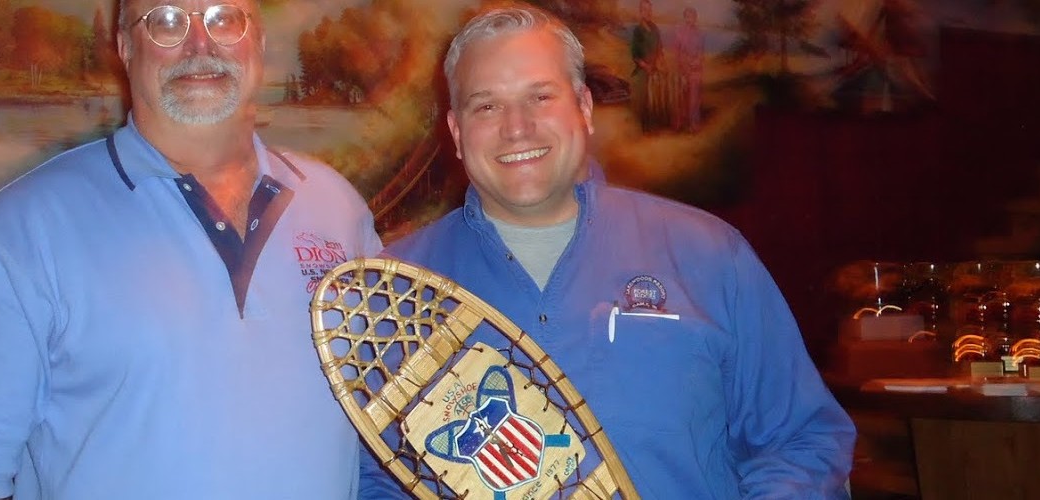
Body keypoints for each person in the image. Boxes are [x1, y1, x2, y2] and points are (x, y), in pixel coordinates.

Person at [0, 0, 382, 498]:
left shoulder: (338, 208)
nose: (199, 44)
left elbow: (387, 426)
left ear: (258, 42)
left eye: (224, 18)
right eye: (166, 21)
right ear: (125, 47)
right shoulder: (20, 230)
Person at [361, 6, 855, 499]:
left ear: (585, 108)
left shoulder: (709, 254)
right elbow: (374, 480)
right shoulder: (394, 295)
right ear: (456, 132)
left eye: (541, 96)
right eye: (486, 105)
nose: (517, 127)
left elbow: (801, 439)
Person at [629, 0, 665, 129]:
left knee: (656, 99)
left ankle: (655, 125)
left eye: (650, 10)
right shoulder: (637, 31)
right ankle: (644, 127)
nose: (648, 13)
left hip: (656, 69)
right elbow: (635, 55)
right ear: (641, 12)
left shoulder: (655, 28)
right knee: (643, 99)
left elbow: (660, 48)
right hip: (642, 70)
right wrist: (646, 66)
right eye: (645, 10)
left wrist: (660, 62)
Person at [671, 6, 704, 133]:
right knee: (681, 98)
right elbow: (676, 52)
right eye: (688, 16)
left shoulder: (700, 34)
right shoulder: (679, 32)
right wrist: (683, 66)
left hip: (695, 71)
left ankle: (694, 125)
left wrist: (696, 62)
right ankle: (679, 123)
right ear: (685, 18)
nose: (690, 19)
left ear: (695, 18)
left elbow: (701, 53)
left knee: (694, 99)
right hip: (682, 70)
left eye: (693, 16)